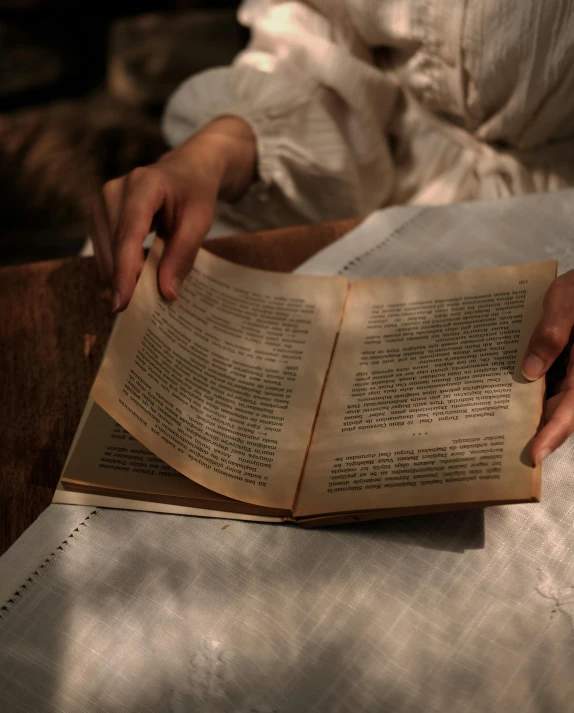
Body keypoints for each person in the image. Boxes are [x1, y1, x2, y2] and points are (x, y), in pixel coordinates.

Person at [90, 0, 574, 467]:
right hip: (367, 166)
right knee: (141, 294)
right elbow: (321, 37)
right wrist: (215, 151)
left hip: (557, 234)